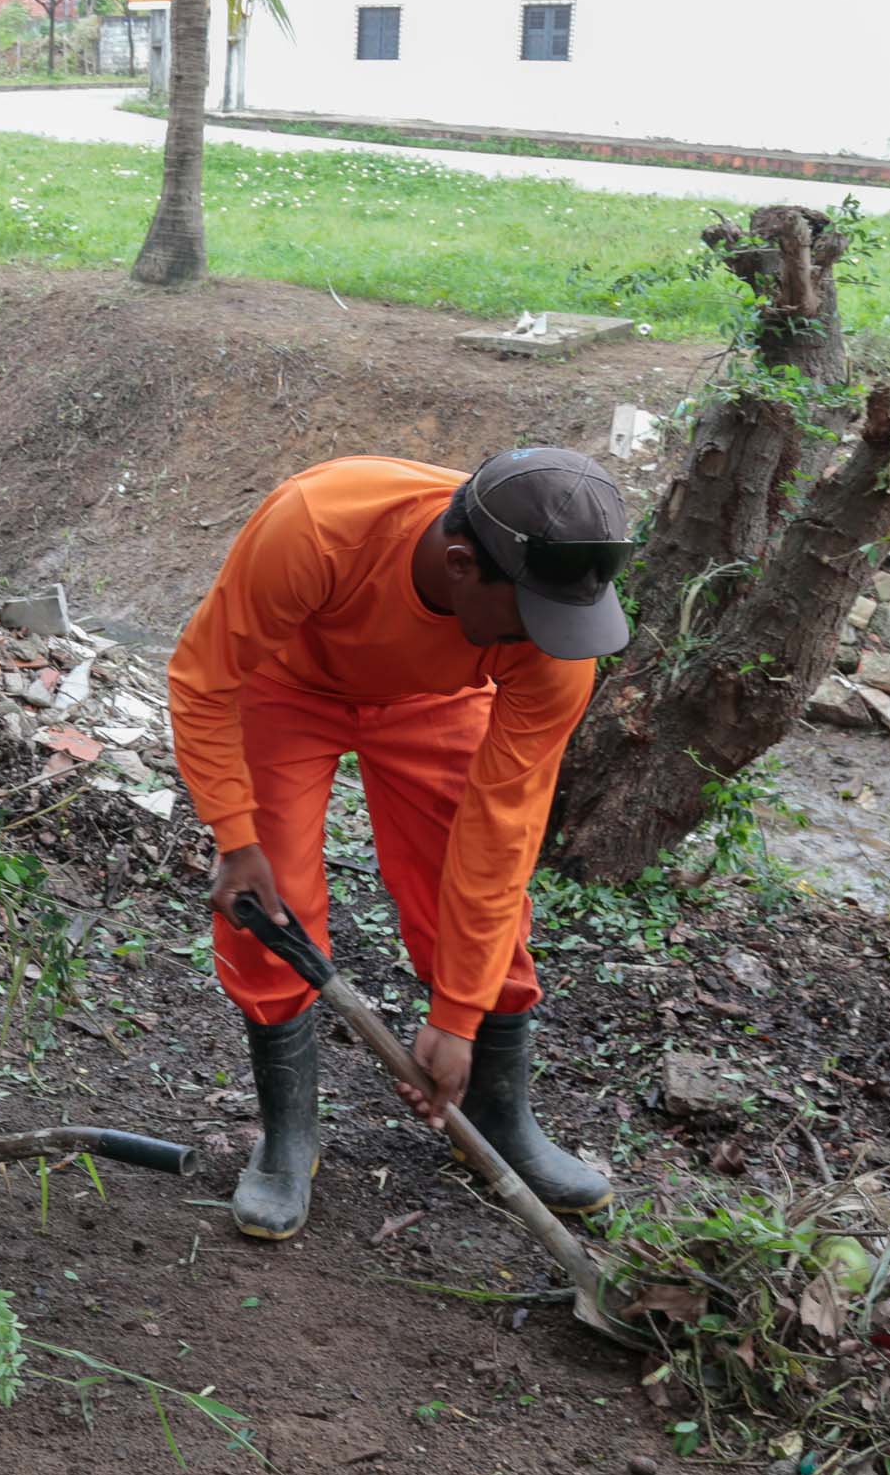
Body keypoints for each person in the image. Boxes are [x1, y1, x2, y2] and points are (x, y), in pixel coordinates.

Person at [167, 448, 640, 1241]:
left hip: (435, 699)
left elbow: (502, 832)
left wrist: (456, 1015)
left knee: (474, 883)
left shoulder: (556, 643)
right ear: (461, 565)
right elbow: (206, 679)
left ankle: (496, 1115)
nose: (550, 641)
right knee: (270, 899)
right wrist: (235, 833)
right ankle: (289, 1138)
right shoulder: (316, 529)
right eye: (532, 616)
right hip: (288, 687)